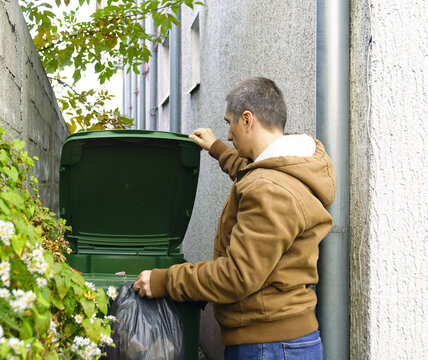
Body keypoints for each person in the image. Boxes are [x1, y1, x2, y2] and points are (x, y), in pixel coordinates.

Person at [132, 76, 336, 360]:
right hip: (280, 340)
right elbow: (252, 171)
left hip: (269, 346)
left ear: (247, 120)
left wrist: (164, 281)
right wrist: (217, 148)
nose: (228, 134)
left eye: (229, 123)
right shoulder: (288, 166)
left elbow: (236, 276)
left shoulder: (270, 190)